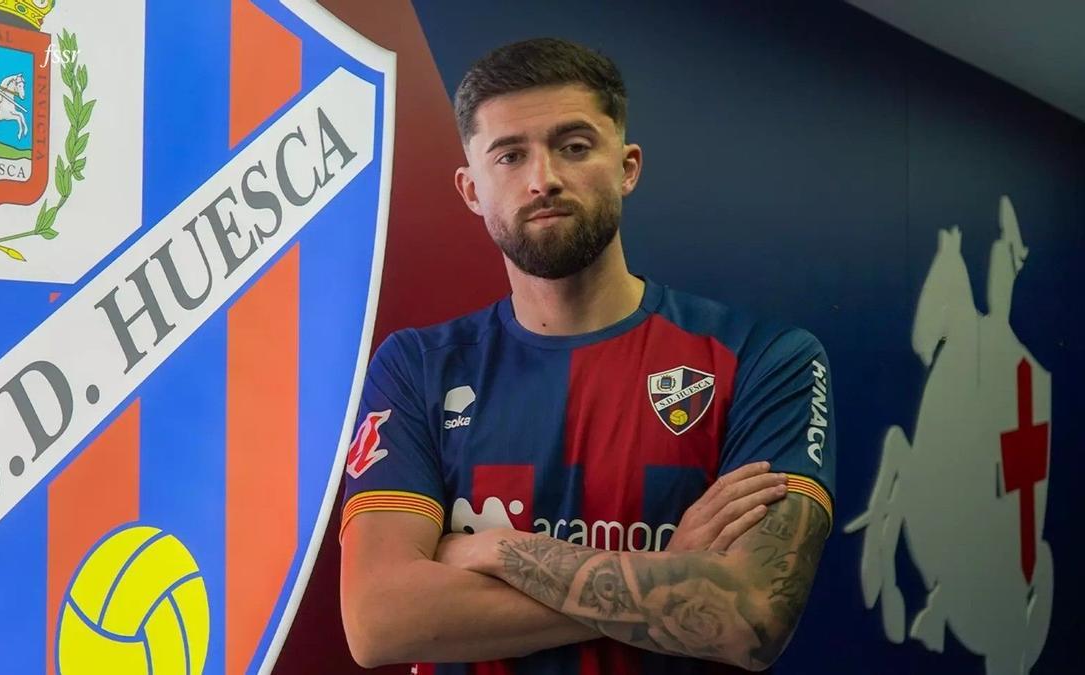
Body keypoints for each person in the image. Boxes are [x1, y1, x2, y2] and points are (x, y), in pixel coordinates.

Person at [339, 38, 836, 674]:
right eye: (510, 155)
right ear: (471, 190)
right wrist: (668, 576)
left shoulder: (766, 359)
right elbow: (381, 620)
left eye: (573, 147)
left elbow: (749, 619)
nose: (542, 179)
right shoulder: (418, 367)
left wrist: (493, 551)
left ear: (627, 166)